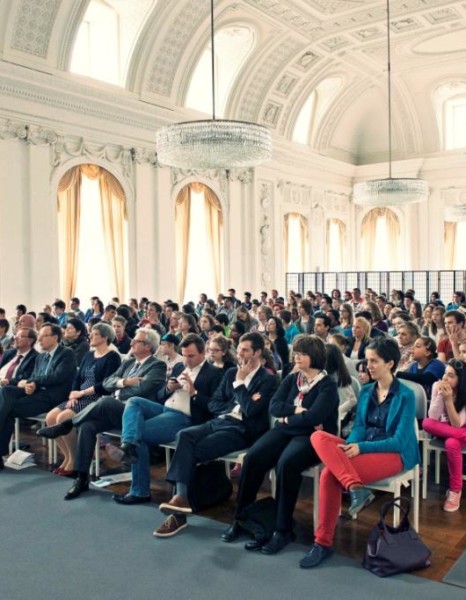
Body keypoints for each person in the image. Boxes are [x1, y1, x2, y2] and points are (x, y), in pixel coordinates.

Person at [299, 337, 419, 569]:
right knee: (318, 436)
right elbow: (360, 428)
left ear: (390, 363)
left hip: (394, 454)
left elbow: (399, 441)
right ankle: (355, 487)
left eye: (374, 361)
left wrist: (360, 448)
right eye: (367, 360)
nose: (368, 366)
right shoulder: (365, 391)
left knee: (329, 475)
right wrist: (351, 445)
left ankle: (322, 542)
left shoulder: (406, 395)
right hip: (364, 447)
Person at [222, 334, 339, 555]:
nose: (296, 357)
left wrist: (288, 419)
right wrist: (295, 411)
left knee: (286, 464)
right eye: (296, 353)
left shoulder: (328, 385)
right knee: (253, 458)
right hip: (288, 430)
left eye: (302, 354)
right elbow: (274, 407)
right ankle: (241, 518)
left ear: (314, 356)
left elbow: (315, 416)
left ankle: (282, 530)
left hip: (313, 437)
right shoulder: (293, 378)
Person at [155, 333, 278, 538]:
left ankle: (179, 511)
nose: (240, 354)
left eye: (245, 350)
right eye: (239, 349)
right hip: (220, 420)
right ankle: (181, 499)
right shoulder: (230, 373)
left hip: (241, 430)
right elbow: (214, 404)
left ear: (258, 352)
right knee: (184, 436)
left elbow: (251, 411)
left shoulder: (268, 380)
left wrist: (239, 384)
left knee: (189, 451)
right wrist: (236, 403)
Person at [37, 328, 166, 499]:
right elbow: (107, 382)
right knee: (87, 426)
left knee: (106, 400)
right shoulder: (128, 363)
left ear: (148, 346)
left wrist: (118, 390)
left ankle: (67, 424)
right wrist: (124, 382)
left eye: (136, 341)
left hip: (135, 415)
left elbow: (143, 389)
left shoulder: (157, 366)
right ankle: (81, 478)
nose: (131, 343)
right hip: (115, 411)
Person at [113, 334, 224, 505]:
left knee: (139, 435)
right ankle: (128, 444)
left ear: (203, 353)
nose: (187, 360)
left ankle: (139, 489)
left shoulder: (215, 373)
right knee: (134, 401)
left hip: (185, 417)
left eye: (191, 356)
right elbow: (160, 395)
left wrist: (194, 392)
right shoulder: (180, 367)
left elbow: (214, 406)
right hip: (166, 409)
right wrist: (168, 388)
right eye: (184, 355)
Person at [44, 323, 121, 476]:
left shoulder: (113, 357)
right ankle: (68, 456)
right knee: (50, 418)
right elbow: (78, 378)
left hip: (97, 399)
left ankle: (74, 461)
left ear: (105, 337)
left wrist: (81, 393)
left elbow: (106, 385)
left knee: (63, 418)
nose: (90, 336)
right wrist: (73, 393)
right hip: (79, 396)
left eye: (95, 334)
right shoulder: (88, 355)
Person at [0, 323, 77, 468]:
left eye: (43, 336)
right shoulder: (40, 357)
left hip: (52, 396)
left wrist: (33, 382)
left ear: (55, 337)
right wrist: (29, 385)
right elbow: (34, 377)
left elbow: (58, 376)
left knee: (7, 408)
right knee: (5, 391)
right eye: (39, 336)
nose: (39, 340)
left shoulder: (66, 353)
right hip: (37, 392)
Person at [422, 359, 466, 512]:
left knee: (452, 444)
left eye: (451, 376)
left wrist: (449, 400)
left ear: (461, 380)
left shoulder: (464, 392)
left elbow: (456, 424)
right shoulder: (437, 386)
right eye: (445, 373)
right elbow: (433, 417)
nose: (445, 378)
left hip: (457, 428)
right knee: (426, 423)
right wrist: (442, 395)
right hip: (443, 429)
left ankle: (455, 491)